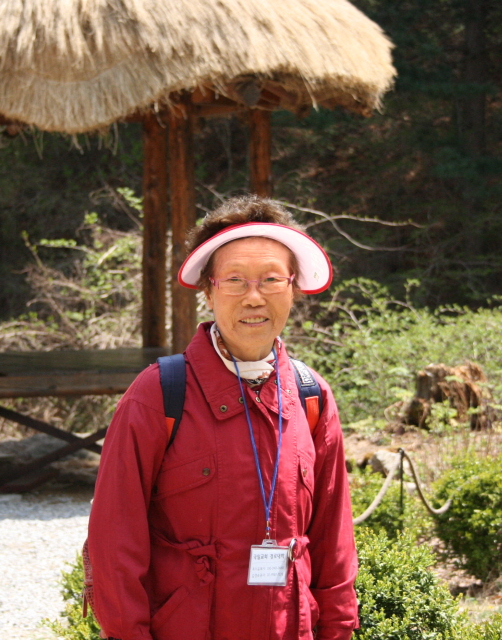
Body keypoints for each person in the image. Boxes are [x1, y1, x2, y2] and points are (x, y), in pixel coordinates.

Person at [87, 196, 358, 640]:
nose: (254, 297)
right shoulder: (159, 394)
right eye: (234, 280)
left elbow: (334, 536)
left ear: (293, 289)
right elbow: (115, 538)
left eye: (271, 279)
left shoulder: (312, 396)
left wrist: (338, 629)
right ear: (209, 292)